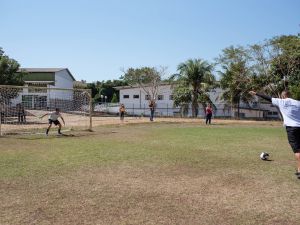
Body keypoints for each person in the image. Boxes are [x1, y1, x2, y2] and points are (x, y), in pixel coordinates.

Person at [249, 90, 300, 179]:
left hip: (292, 129)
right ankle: (299, 170)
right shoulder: (298, 103)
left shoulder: (281, 101)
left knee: (297, 151)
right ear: (290, 95)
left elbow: (268, 98)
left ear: (282, 96)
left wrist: (256, 93)